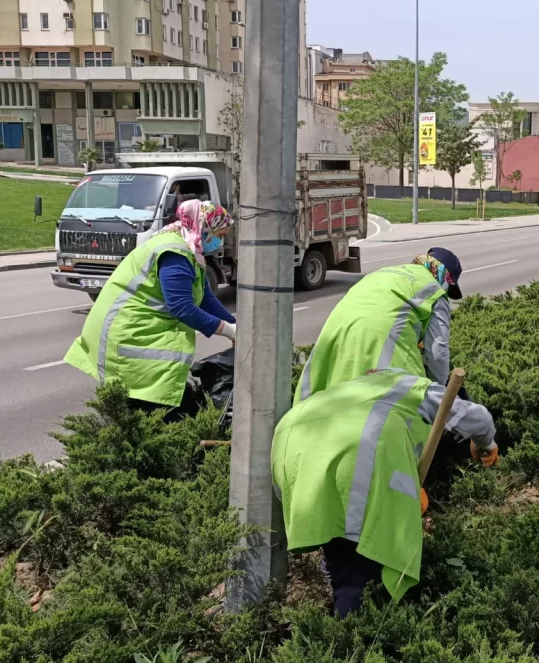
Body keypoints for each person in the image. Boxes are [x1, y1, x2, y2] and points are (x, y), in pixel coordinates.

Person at [272, 368, 500, 617]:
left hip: (290, 449)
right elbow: (476, 418)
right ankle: (355, 633)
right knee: (356, 569)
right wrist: (486, 444)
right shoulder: (410, 384)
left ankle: (341, 608)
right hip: (357, 456)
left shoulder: (346, 387)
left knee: (337, 540)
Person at [64, 200, 237, 412]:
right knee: (162, 413)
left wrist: (237, 326)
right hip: (134, 338)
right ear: (205, 226)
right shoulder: (176, 253)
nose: (219, 243)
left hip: (140, 334)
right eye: (219, 235)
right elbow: (182, 307)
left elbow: (205, 298)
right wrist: (229, 330)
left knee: (165, 411)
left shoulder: (189, 249)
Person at [296, 248, 464, 404]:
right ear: (445, 275)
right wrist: (440, 396)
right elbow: (438, 351)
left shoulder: (384, 273)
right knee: (386, 415)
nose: (447, 292)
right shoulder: (434, 291)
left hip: (335, 334)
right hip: (380, 347)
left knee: (331, 403)